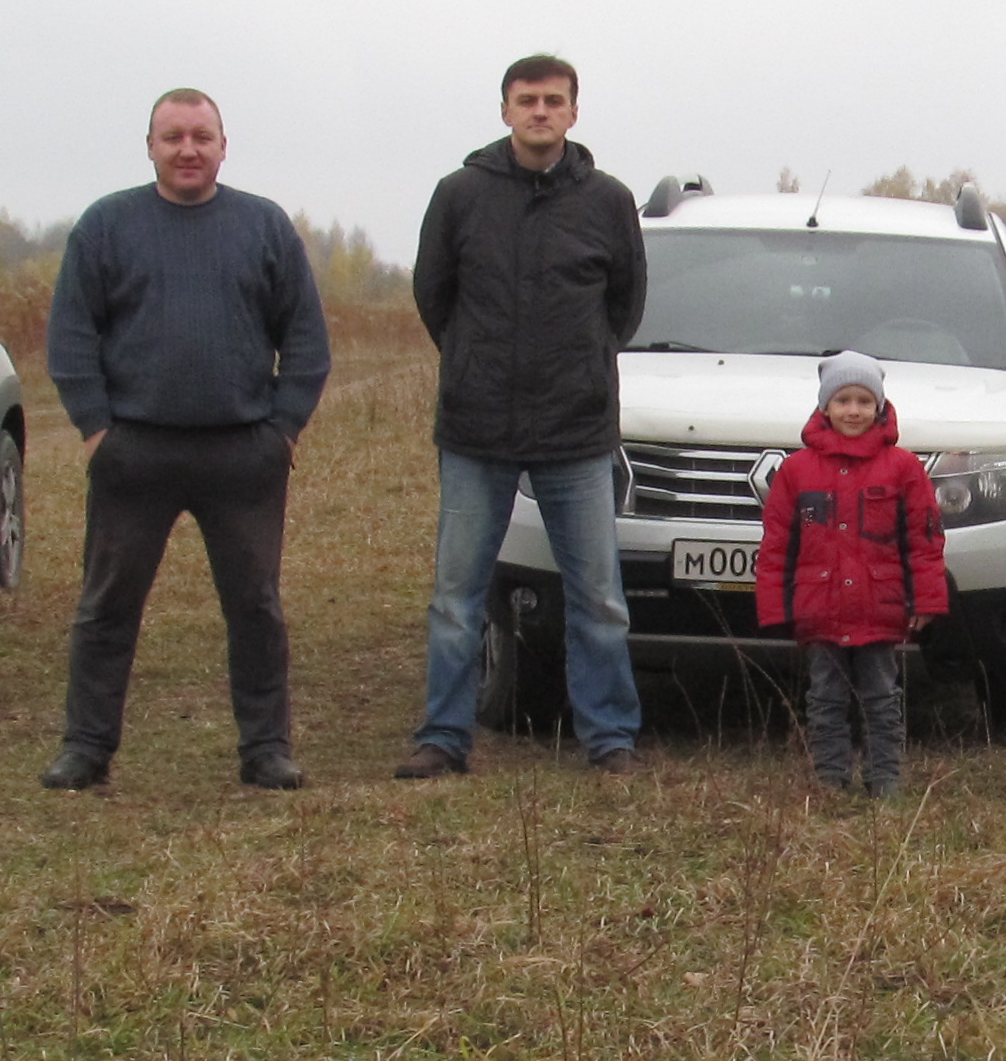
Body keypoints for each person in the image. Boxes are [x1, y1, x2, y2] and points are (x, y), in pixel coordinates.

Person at [39, 89, 330, 793]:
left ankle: (266, 748)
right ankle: (86, 748)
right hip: (134, 453)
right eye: (173, 137)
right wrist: (96, 429)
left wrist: (283, 430)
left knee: (255, 608)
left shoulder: (264, 226)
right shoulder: (107, 226)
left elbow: (306, 340)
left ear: (224, 146)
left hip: (243, 454)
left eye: (202, 136)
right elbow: (71, 335)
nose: (188, 150)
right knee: (107, 606)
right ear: (150, 147)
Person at [398, 54, 650, 778]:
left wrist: (579, 366)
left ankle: (609, 738)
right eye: (527, 99)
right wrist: (475, 362)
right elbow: (434, 296)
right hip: (476, 431)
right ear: (506, 110)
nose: (540, 111)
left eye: (553, 100)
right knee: (457, 597)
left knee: (598, 598)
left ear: (574, 112)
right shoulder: (459, 195)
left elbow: (623, 307)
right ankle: (444, 737)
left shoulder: (608, 201)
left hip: (577, 433)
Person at [754, 351, 949, 798]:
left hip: (879, 608)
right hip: (819, 609)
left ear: (879, 407)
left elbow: (924, 540)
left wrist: (926, 600)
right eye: (843, 400)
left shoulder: (903, 468)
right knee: (825, 698)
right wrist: (776, 606)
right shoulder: (797, 470)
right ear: (825, 407)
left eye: (864, 401)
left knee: (882, 698)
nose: (854, 411)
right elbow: (777, 543)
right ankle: (830, 778)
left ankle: (885, 779)